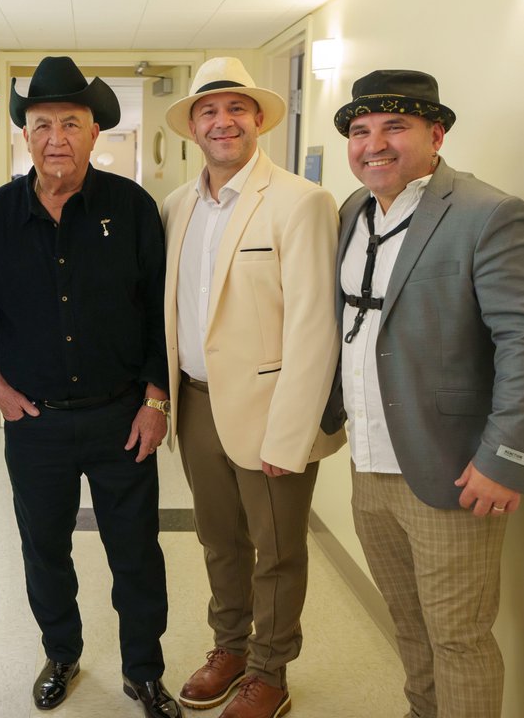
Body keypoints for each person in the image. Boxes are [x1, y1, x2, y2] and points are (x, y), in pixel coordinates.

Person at [333, 70, 524, 717]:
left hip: (452, 470)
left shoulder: (487, 213)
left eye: (394, 127)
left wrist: (504, 459)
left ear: (435, 135)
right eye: (360, 131)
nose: (373, 144)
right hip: (369, 464)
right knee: (408, 628)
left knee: (458, 639)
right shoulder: (353, 212)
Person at [0, 56, 180, 718]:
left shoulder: (133, 209)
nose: (57, 137)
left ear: (94, 132)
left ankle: (144, 670)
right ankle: (62, 652)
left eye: (72, 124)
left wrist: (156, 399)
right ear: (25, 134)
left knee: (136, 554)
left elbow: (160, 313)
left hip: (122, 420)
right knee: (44, 549)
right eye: (43, 123)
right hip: (36, 425)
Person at [161, 58, 343, 718]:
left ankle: (270, 670)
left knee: (276, 551)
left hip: (272, 412)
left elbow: (315, 327)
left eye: (236, 108)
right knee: (219, 543)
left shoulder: (301, 201)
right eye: (208, 111)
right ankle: (229, 647)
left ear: (259, 119)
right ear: (192, 128)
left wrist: (291, 433)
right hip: (196, 405)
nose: (222, 121)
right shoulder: (177, 205)